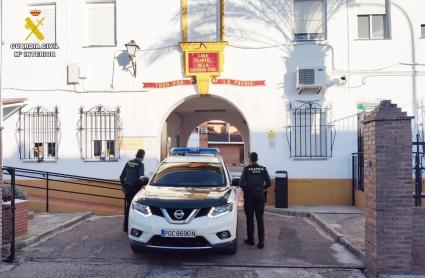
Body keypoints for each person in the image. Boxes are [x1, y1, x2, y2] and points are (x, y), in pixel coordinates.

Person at [239, 152, 271, 249]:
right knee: (260, 219)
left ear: (250, 159)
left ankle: (251, 240)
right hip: (260, 196)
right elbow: (269, 183)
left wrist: (246, 190)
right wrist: (261, 189)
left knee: (250, 219)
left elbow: (241, 183)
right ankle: (261, 242)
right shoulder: (263, 169)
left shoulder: (246, 169)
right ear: (257, 159)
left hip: (249, 197)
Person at [120, 149, 145, 232]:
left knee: (127, 207)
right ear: (143, 156)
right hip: (135, 189)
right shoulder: (140, 164)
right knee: (135, 208)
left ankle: (125, 227)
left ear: (136, 154)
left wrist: (123, 186)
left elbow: (121, 176)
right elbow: (141, 179)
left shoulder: (128, 162)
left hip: (127, 188)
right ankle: (134, 228)